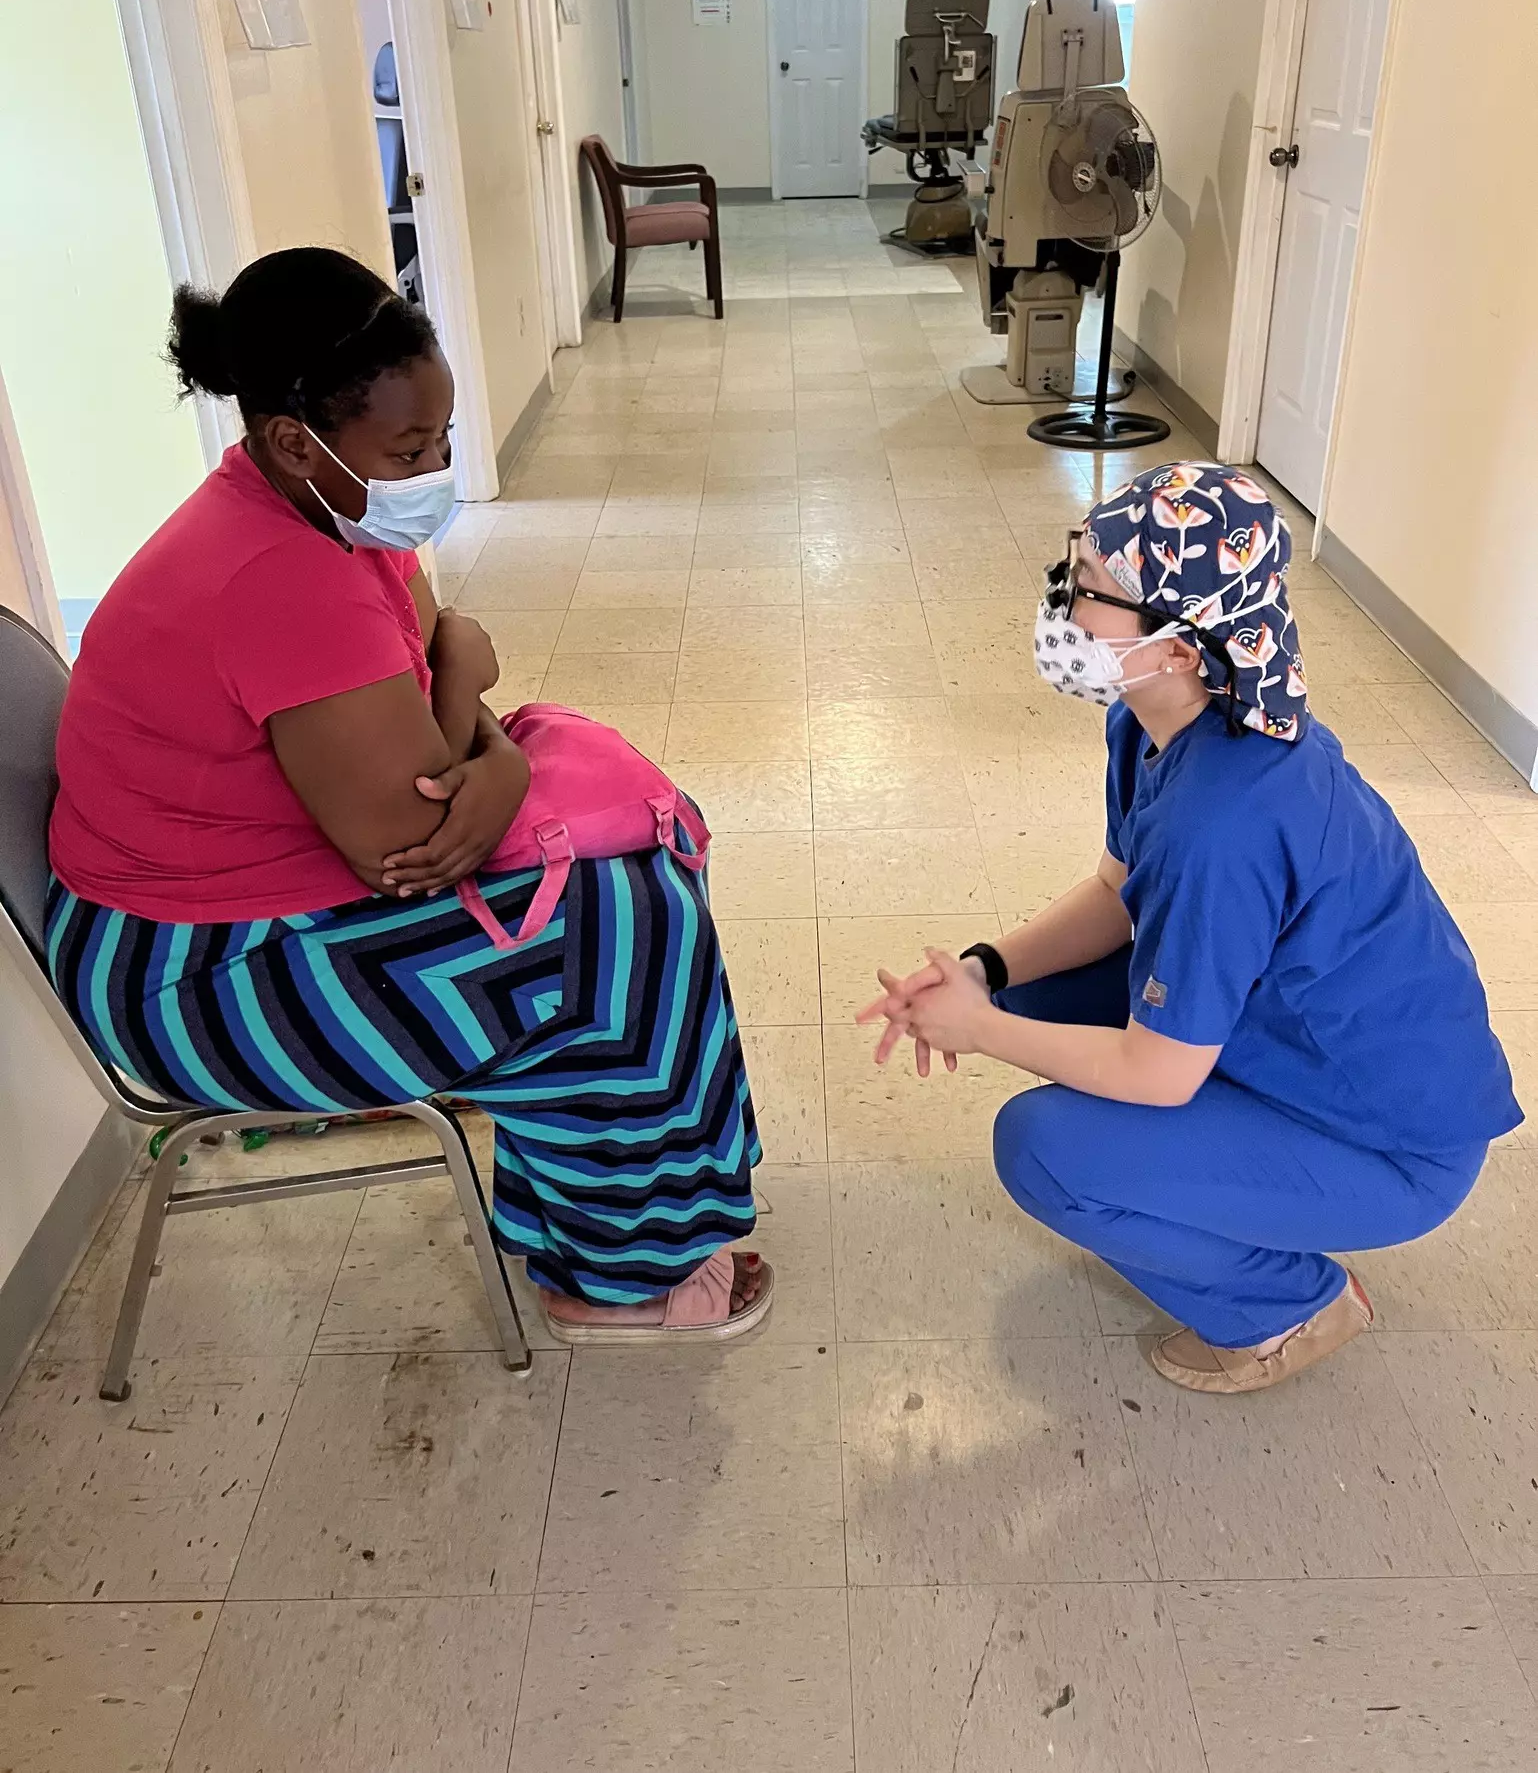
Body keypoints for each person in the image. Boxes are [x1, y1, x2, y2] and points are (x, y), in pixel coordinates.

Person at [46, 246, 770, 1343]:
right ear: (296, 440)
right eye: (411, 449)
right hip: (183, 978)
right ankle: (615, 1277)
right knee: (611, 939)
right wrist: (482, 718)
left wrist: (469, 716)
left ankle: (620, 1215)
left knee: (635, 882)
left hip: (237, 908)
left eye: (441, 439)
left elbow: (430, 687)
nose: (434, 469)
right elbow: (416, 841)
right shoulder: (281, 576)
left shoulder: (324, 513)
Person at [861, 463, 1520, 1393]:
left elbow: (1159, 1074)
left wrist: (979, 1030)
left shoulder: (1223, 819)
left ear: (1177, 647)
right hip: (1296, 1044)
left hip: (1390, 1145)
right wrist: (986, 972)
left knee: (1042, 1149)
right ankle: (1209, 1178)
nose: (1063, 605)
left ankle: (1286, 1305)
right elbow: (1115, 890)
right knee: (1035, 996)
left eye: (1090, 587)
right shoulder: (1163, 720)